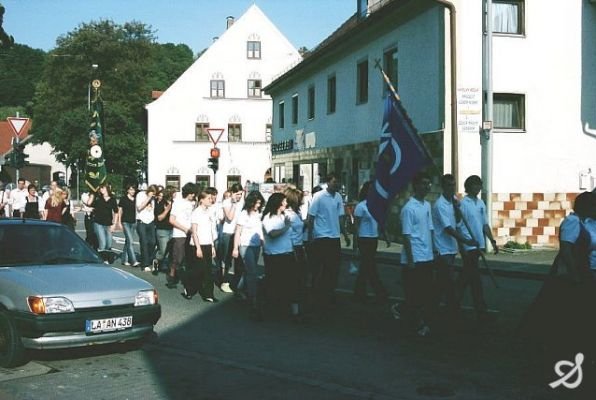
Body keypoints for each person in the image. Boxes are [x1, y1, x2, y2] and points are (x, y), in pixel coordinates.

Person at [431, 174, 476, 317]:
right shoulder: (440, 205)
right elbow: (449, 229)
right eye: (449, 185)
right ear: (443, 187)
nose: (452, 188)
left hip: (451, 248)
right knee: (447, 282)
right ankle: (449, 310)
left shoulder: (454, 201)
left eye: (453, 185)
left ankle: (435, 308)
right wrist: (466, 241)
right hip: (442, 248)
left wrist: (457, 209)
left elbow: (457, 222)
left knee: (442, 283)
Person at [455, 175, 498, 322]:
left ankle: (455, 302)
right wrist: (462, 248)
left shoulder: (480, 203)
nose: (478, 188)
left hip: (478, 244)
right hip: (469, 245)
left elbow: (485, 224)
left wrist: (492, 241)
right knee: (474, 279)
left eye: (479, 185)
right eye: (475, 185)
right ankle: (480, 308)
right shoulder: (463, 204)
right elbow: (459, 227)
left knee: (468, 277)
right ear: (469, 186)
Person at [399, 174, 435, 337]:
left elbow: (430, 229)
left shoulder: (427, 205)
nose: (427, 187)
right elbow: (406, 235)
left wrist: (434, 249)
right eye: (423, 184)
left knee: (426, 293)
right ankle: (416, 324)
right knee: (415, 294)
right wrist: (411, 260)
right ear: (415, 186)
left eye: (428, 184)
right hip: (415, 257)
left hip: (427, 256)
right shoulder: (409, 208)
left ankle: (407, 313)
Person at [307, 173, 347, 307]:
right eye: (334, 182)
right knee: (318, 267)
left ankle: (328, 294)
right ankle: (314, 293)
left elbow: (341, 217)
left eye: (338, 182)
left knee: (333, 269)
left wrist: (345, 234)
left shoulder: (338, 197)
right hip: (321, 237)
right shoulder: (318, 196)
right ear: (328, 182)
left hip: (334, 237)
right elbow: (311, 217)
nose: (337, 185)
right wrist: (310, 236)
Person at [262, 192, 302, 321]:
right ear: (277, 203)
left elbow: (290, 236)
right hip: (274, 255)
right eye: (284, 201)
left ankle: (295, 313)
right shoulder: (268, 218)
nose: (286, 203)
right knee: (274, 284)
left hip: (288, 253)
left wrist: (293, 250)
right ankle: (266, 310)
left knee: (292, 283)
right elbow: (272, 234)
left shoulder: (284, 216)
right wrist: (286, 227)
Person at [352, 181, 389, 304]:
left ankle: (359, 292)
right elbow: (356, 226)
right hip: (364, 239)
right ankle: (380, 292)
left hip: (374, 239)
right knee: (369, 266)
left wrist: (386, 236)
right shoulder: (361, 206)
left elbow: (380, 223)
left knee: (366, 267)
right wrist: (355, 245)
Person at [232, 191, 265, 318]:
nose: (258, 205)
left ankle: (239, 288)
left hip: (256, 245)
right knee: (252, 272)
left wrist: (263, 242)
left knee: (248, 270)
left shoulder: (259, 214)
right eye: (256, 203)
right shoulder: (243, 214)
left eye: (259, 203)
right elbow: (238, 232)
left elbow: (260, 230)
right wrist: (235, 248)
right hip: (245, 245)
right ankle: (253, 298)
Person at [182, 190, 217, 302]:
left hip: (207, 243)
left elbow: (210, 231)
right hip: (197, 244)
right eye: (208, 199)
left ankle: (209, 294)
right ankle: (189, 289)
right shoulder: (196, 212)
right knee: (198, 270)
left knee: (208, 270)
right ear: (201, 200)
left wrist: (212, 247)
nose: (210, 200)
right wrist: (198, 248)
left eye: (211, 199)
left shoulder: (209, 212)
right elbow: (194, 232)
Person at [167, 182, 196, 288]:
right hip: (179, 234)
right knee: (178, 258)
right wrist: (184, 229)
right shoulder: (178, 203)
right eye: (192, 193)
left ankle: (187, 279)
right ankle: (171, 276)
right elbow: (172, 220)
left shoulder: (193, 204)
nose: (193, 195)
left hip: (190, 234)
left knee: (188, 258)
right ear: (188, 193)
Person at [218, 183, 244, 293]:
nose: (239, 196)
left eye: (241, 194)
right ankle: (224, 281)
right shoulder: (226, 202)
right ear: (232, 193)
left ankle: (236, 282)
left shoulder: (242, 202)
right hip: (228, 233)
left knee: (238, 259)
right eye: (237, 194)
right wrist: (233, 204)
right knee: (227, 258)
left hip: (238, 233)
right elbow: (229, 217)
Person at [85, 183, 118, 255]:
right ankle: (102, 258)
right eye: (100, 188)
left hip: (108, 223)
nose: (101, 190)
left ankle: (105, 256)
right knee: (102, 243)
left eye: (103, 188)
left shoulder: (112, 199)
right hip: (98, 223)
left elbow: (116, 212)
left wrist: (114, 224)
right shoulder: (98, 198)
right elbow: (89, 204)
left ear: (107, 189)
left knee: (109, 244)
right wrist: (92, 194)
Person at [117, 184, 140, 267]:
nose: (132, 191)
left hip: (133, 222)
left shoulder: (136, 199)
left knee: (128, 241)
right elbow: (120, 210)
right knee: (130, 241)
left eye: (133, 190)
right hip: (125, 222)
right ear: (127, 190)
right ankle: (133, 261)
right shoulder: (123, 199)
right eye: (131, 190)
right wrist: (119, 222)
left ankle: (124, 259)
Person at [136, 184, 157, 272]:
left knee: (152, 242)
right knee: (144, 242)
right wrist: (148, 198)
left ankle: (148, 259)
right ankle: (145, 264)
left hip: (151, 222)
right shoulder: (140, 195)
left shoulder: (153, 199)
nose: (153, 195)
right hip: (141, 222)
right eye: (153, 193)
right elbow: (139, 207)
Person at [154, 186, 174, 273]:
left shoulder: (174, 203)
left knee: (171, 251)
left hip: (172, 229)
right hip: (162, 230)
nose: (175, 194)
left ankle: (168, 267)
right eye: (173, 193)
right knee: (163, 250)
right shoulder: (161, 203)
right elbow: (159, 218)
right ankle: (157, 260)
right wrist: (166, 210)